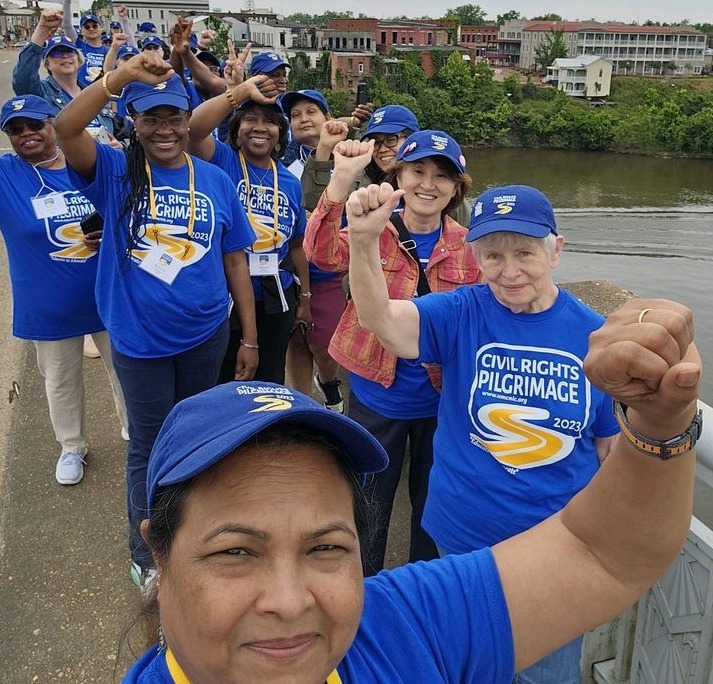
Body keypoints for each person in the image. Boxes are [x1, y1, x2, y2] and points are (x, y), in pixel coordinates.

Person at [122, 303, 702, 682]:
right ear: (160, 553)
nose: (290, 602)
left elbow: (601, 555)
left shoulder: (401, 625)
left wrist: (657, 421)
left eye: (326, 548)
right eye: (236, 552)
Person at [346, 183, 625, 681]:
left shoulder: (594, 336)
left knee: (547, 673)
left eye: (525, 252)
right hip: (462, 545)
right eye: (493, 255)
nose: (510, 270)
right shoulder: (462, 312)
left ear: (556, 250)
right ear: (476, 258)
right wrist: (365, 241)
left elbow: (609, 449)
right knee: (465, 668)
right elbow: (381, 319)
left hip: (554, 555)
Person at [53, 53, 259, 589]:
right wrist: (118, 78)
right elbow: (66, 127)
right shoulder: (116, 172)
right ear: (134, 125)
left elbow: (235, 258)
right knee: (149, 441)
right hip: (141, 336)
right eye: (151, 119)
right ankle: (146, 552)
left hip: (207, 331)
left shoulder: (213, 179)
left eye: (174, 118)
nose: (165, 129)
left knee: (192, 431)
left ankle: (190, 531)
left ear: (187, 122)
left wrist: (250, 338)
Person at [304, 131, 480, 574]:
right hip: (375, 393)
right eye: (417, 170)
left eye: (443, 176)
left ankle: (424, 588)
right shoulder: (374, 224)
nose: (428, 184)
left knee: (433, 502)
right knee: (368, 502)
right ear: (397, 174)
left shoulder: (470, 244)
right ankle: (364, 593)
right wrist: (340, 181)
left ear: (457, 188)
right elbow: (320, 253)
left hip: (442, 402)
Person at [0, 94, 128, 485]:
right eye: (15, 129)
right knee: (59, 380)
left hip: (108, 294)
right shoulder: (6, 174)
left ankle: (136, 431)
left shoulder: (90, 159)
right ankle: (72, 446)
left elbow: (129, 209)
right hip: (49, 306)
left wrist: (110, 232)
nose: (27, 134)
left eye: (35, 124)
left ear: (53, 124)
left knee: (127, 371)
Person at [188, 80, 311, 385]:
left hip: (276, 293)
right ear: (236, 127)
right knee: (224, 375)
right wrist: (239, 92)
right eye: (250, 119)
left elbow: (296, 246)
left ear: (281, 133)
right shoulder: (223, 161)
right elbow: (194, 130)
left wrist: (305, 297)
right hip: (226, 290)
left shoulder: (290, 181)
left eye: (270, 122)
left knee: (269, 377)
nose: (260, 128)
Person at [279, 89, 346, 411]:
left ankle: (330, 383)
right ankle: (302, 403)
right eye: (295, 115)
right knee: (295, 339)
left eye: (311, 112)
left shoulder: (351, 160)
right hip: (292, 271)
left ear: (328, 118)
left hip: (331, 274)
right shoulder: (283, 165)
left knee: (324, 343)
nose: (304, 119)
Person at [12, 11, 121, 139]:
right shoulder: (42, 93)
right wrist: (42, 28)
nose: (64, 56)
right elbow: (23, 78)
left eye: (69, 52)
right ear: (47, 65)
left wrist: (119, 147)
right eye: (56, 54)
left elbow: (117, 130)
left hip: (103, 156)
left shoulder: (93, 93)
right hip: (66, 158)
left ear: (79, 59)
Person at [60, 7, 107, 85]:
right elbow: (66, 25)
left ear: (101, 28)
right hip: (82, 92)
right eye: (87, 27)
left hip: (103, 92)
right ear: (81, 30)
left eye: (94, 26)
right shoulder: (78, 45)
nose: (91, 29)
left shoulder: (109, 51)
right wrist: (67, 2)